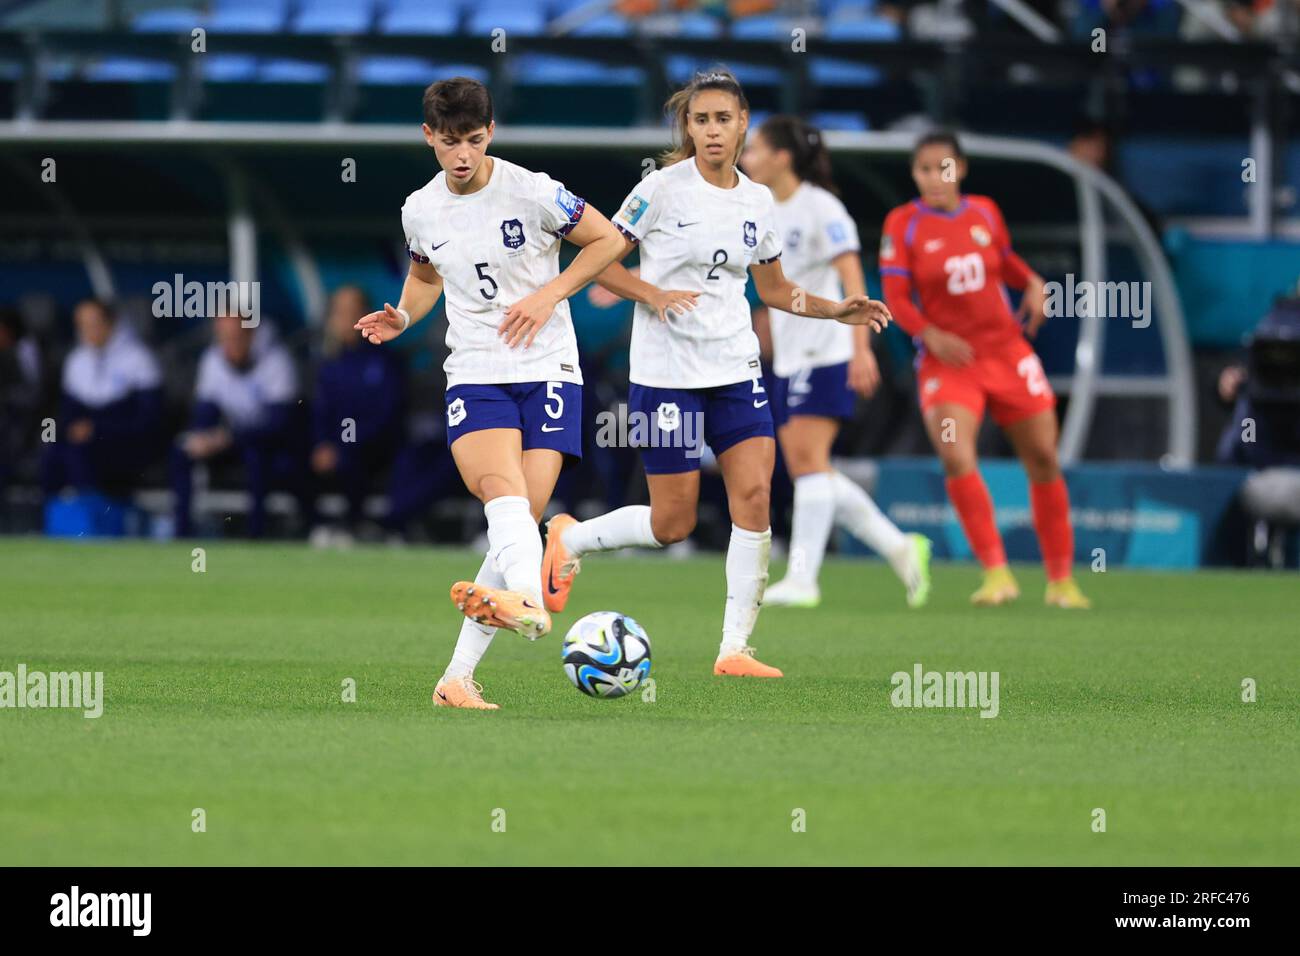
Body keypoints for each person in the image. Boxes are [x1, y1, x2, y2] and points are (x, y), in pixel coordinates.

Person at [541, 70, 891, 679]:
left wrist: (838, 310)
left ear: (742, 125)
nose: (711, 131)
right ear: (688, 127)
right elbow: (597, 261)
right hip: (667, 373)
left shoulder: (758, 200)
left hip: (735, 367)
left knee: (754, 497)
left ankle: (734, 648)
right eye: (700, 120)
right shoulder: (659, 191)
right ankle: (569, 538)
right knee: (671, 522)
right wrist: (651, 292)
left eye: (722, 120)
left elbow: (775, 289)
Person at [353, 77, 626, 710]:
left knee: (519, 523)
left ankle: (457, 677)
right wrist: (403, 314)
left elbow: (609, 240)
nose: (463, 155)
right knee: (501, 495)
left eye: (474, 140)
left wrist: (550, 292)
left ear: (491, 133)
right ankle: (529, 606)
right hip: (476, 368)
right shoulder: (419, 208)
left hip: (552, 367)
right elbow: (424, 276)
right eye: (450, 143)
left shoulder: (533, 191)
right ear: (430, 137)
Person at [879, 131, 1089, 608]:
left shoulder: (985, 213)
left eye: (943, 167)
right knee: (955, 454)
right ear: (915, 174)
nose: (934, 177)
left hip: (1006, 353)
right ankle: (997, 573)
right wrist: (929, 334)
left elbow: (1005, 262)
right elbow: (896, 299)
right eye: (924, 169)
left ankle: (1061, 581)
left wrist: (1033, 281)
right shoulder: (904, 224)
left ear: (961, 169)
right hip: (948, 362)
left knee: (1043, 459)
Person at [741, 114, 931, 609]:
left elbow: (851, 272)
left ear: (782, 157)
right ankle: (899, 545)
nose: (746, 157)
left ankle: (804, 578)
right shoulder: (759, 208)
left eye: (755, 148)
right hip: (788, 357)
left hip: (825, 351)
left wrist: (861, 348)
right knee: (813, 467)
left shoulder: (821, 206)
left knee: (807, 465)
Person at [171, 315, 310, 538]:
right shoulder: (212, 359)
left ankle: (256, 536)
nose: (229, 344)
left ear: (251, 335)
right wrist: (203, 438)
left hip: (273, 444)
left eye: (236, 337)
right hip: (233, 441)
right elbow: (206, 411)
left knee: (257, 455)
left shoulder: (276, 361)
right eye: (223, 337)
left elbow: (278, 424)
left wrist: (227, 438)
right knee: (183, 449)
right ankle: (181, 533)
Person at [310, 285, 407, 539]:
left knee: (352, 456)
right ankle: (313, 525)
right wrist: (322, 443)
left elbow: (387, 415)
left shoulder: (384, 360)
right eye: (339, 312)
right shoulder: (329, 363)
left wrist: (343, 445)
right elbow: (321, 411)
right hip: (334, 445)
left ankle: (354, 527)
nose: (344, 319)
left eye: (351, 311)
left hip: (375, 446)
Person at [41, 298, 163, 500]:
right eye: (82, 325)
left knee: (81, 451)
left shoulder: (139, 359)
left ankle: (92, 522)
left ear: (111, 322)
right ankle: (49, 522)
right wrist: (53, 434)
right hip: (86, 439)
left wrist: (97, 428)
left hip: (125, 439)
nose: (88, 331)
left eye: (94, 324)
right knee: (51, 449)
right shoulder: (76, 361)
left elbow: (147, 420)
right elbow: (66, 413)